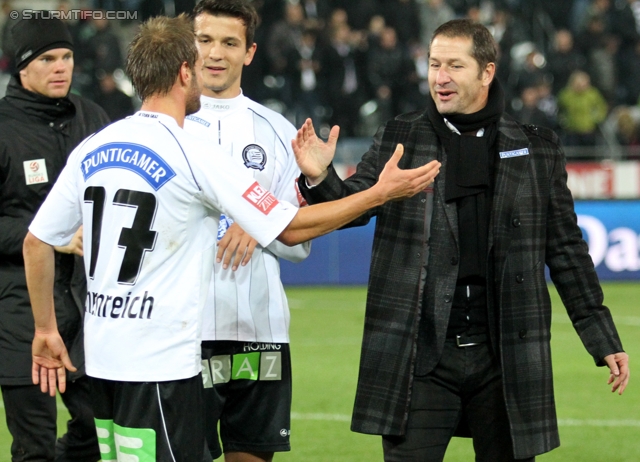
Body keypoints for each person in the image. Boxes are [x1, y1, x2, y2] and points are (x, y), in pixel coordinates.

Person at [22, 14, 440, 462]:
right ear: (185, 71)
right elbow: (288, 226)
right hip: (160, 363)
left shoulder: (96, 145)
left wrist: (45, 328)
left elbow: (37, 241)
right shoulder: (192, 150)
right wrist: (377, 194)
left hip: (102, 359)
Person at [293, 18, 629, 461]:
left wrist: (601, 336)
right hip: (420, 355)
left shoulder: (537, 148)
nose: (440, 77)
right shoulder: (403, 136)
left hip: (505, 355)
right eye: (434, 64)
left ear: (486, 72)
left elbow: (566, 251)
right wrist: (321, 178)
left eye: (454, 65)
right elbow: (355, 206)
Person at [185, 1, 310, 460]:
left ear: (250, 52)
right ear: (189, 45)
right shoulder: (162, 126)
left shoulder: (278, 132)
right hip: (183, 335)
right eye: (205, 40)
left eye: (229, 43)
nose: (215, 53)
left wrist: (258, 226)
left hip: (260, 331)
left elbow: (301, 245)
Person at [0, 16, 109, 462]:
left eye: (66, 57)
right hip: (20, 310)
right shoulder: (4, 129)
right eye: (47, 58)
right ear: (21, 66)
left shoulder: (92, 117)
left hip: (89, 309)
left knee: (97, 430)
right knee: (34, 445)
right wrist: (49, 237)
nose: (60, 67)